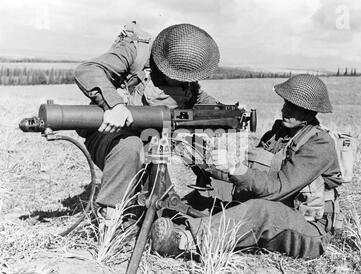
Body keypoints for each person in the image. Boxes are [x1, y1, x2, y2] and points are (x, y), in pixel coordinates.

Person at [150, 74, 343, 260]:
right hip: (276, 208)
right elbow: (252, 176)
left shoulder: (319, 145)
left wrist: (235, 168)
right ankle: (163, 219)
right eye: (286, 103)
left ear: (310, 113)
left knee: (261, 211)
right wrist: (209, 164)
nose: (285, 110)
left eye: (294, 108)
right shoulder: (278, 134)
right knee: (210, 192)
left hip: (308, 228)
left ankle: (183, 241)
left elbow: (278, 189)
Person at [74, 22, 221, 219]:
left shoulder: (184, 70)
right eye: (177, 76)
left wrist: (224, 111)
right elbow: (88, 70)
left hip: (152, 139)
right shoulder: (135, 52)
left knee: (196, 147)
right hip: (111, 134)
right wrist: (115, 106)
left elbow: (199, 98)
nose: (182, 81)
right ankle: (111, 218)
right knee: (130, 146)